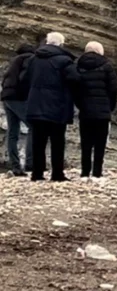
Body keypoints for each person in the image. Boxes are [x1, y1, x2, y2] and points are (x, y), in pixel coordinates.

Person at [21, 32, 80, 182]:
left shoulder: (33, 59)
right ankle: (57, 174)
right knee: (57, 141)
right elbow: (75, 79)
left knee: (38, 142)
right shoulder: (64, 60)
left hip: (36, 105)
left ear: (47, 42)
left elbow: (24, 79)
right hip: (57, 106)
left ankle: (37, 174)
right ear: (61, 44)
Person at [75, 42, 117, 180]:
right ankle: (97, 173)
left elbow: (74, 88)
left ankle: (84, 172)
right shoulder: (106, 65)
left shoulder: (78, 65)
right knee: (100, 143)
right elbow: (114, 88)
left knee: (86, 143)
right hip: (102, 111)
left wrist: (80, 105)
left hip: (85, 111)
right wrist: (109, 106)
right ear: (100, 51)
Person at [1, 43, 35, 176]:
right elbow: (25, 79)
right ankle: (30, 164)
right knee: (33, 127)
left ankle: (15, 166)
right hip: (18, 97)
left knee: (12, 132)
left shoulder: (14, 61)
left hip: (6, 97)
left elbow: (5, 79)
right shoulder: (29, 59)